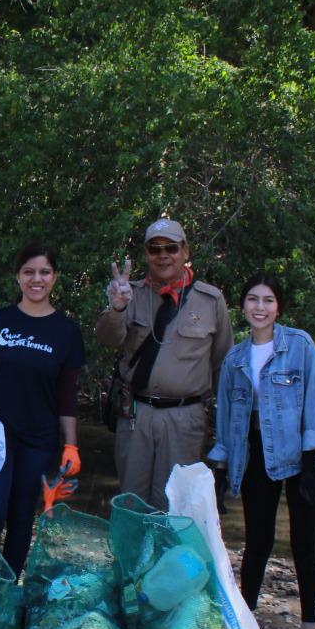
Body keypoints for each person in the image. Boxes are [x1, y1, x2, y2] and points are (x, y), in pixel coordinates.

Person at [206, 274, 315, 629]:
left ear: (279, 306)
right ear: (242, 306)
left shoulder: (299, 345)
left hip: (301, 456)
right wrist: (221, 466)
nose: (260, 307)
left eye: (268, 300)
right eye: (252, 299)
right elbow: (226, 417)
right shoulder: (235, 359)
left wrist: (314, 456)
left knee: (305, 545)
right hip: (255, 455)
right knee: (257, 543)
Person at [0, 244, 84, 575]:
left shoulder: (66, 331)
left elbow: (67, 396)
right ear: (18, 277)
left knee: (23, 515)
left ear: (54, 278)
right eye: (29, 272)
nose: (36, 279)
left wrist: (71, 444)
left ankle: (8, 588)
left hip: (39, 438)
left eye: (44, 272)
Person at [96, 218, 232, 510]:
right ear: (146, 254)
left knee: (175, 504)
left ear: (185, 251)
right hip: (135, 415)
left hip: (185, 418)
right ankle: (131, 557)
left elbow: (223, 367)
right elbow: (108, 339)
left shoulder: (210, 300)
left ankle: (167, 557)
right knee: (131, 503)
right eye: (155, 249)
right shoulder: (129, 293)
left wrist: (226, 435)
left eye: (171, 248)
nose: (163, 255)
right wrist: (117, 307)